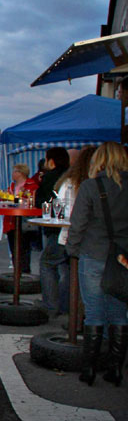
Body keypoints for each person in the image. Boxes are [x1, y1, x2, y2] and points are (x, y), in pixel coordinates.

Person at [66, 142, 128, 386]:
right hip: (122, 258)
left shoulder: (91, 186)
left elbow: (78, 223)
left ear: (99, 160)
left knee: (94, 311)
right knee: (119, 312)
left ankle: (89, 369)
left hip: (93, 253)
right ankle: (116, 369)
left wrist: (73, 250)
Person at [35, 147, 71, 315]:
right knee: (66, 268)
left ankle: (50, 305)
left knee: (47, 264)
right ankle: (66, 305)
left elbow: (42, 202)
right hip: (73, 230)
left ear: (51, 161)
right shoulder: (73, 176)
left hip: (56, 228)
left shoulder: (51, 177)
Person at [3, 163, 39, 274]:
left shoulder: (31, 185)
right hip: (11, 222)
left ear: (20, 173)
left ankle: (25, 274)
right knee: (14, 249)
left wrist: (12, 199)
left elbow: (29, 201)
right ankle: (17, 273)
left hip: (24, 222)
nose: (12, 174)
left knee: (24, 249)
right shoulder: (11, 186)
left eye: (14, 171)